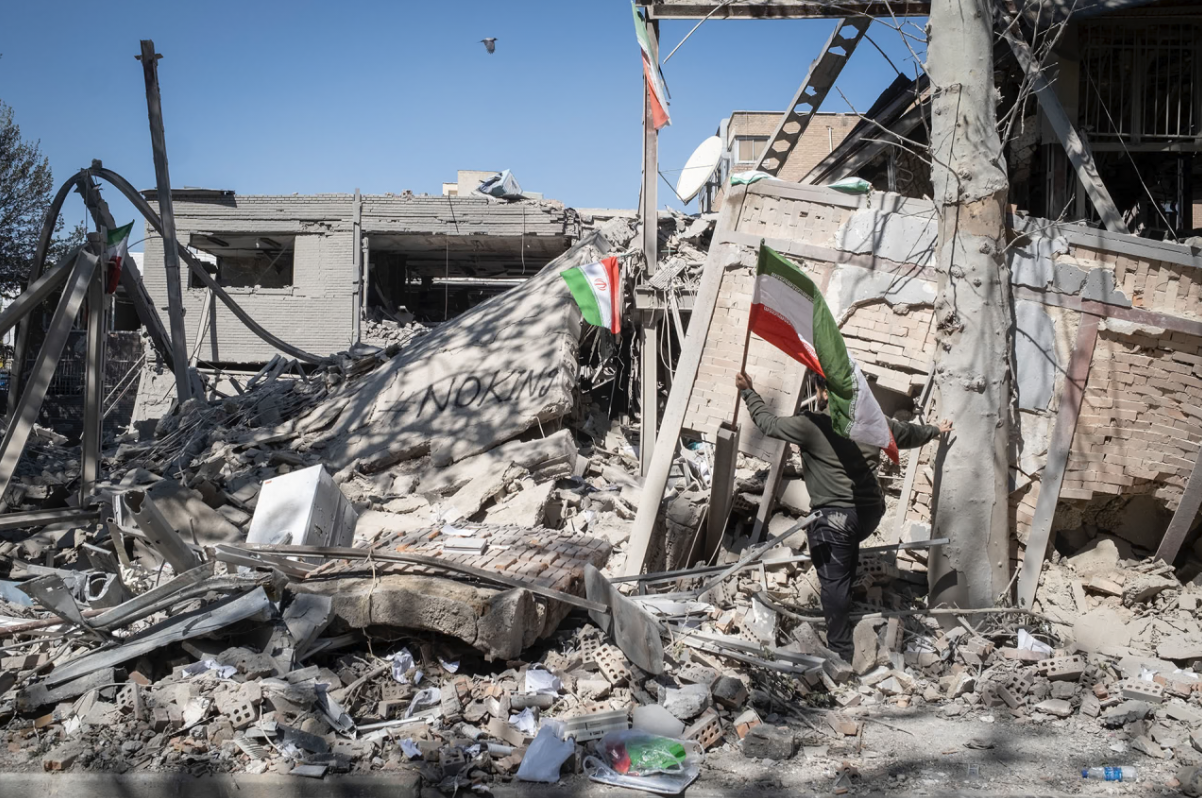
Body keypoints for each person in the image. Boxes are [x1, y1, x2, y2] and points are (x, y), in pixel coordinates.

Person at [734, 370, 951, 662]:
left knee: (833, 582)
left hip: (835, 518)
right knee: (844, 560)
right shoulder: (873, 421)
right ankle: (843, 609)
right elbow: (908, 434)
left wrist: (748, 390)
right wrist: (936, 430)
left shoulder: (813, 425)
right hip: (867, 516)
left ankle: (840, 653)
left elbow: (767, 423)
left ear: (823, 393)